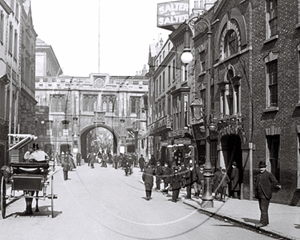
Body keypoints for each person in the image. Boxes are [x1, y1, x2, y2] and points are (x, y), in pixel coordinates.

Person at [255, 161, 281, 228]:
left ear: (265, 167)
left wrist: (270, 189)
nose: (261, 169)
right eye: (260, 167)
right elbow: (256, 184)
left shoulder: (269, 174)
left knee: (263, 209)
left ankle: (262, 223)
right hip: (259, 194)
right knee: (262, 208)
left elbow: (275, 182)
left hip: (265, 194)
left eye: (263, 167)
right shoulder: (258, 175)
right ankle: (265, 221)